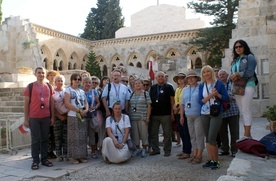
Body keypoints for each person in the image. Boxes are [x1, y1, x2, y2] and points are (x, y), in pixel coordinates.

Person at [23, 66, 55, 170]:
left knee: (45, 139)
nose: (41, 75)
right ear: (35, 74)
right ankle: (35, 161)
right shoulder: (30, 87)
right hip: (34, 117)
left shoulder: (49, 87)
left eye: (43, 73)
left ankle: (44, 159)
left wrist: (52, 117)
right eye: (39, 73)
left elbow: (52, 103)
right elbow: (26, 104)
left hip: (45, 117)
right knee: (35, 140)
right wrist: (25, 119)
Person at [199, 65, 229, 170]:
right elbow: (200, 101)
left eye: (208, 71)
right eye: (204, 72)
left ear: (211, 72)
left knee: (212, 137)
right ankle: (211, 160)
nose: (206, 74)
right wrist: (211, 96)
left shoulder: (218, 83)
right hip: (204, 113)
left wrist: (217, 94)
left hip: (216, 112)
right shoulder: (201, 85)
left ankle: (216, 162)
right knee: (207, 138)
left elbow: (225, 98)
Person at [230, 39, 257, 140]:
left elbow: (250, 72)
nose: (238, 48)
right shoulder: (234, 61)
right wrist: (232, 76)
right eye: (236, 47)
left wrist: (238, 74)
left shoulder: (250, 57)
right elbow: (231, 73)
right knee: (242, 111)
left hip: (248, 84)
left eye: (240, 46)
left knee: (246, 109)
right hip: (237, 86)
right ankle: (248, 135)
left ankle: (246, 135)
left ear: (244, 47)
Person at [64, 73, 89, 164]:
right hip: (73, 115)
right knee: (74, 137)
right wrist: (78, 110)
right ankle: (74, 157)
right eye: (75, 79)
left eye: (79, 79)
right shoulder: (68, 90)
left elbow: (85, 102)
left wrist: (86, 110)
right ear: (72, 80)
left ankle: (81, 156)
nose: (77, 80)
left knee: (82, 136)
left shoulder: (81, 91)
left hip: (82, 116)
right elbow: (67, 103)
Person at [181, 69, 204, 164]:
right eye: (189, 78)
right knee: (192, 135)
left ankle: (199, 155)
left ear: (196, 78)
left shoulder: (200, 88)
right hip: (188, 115)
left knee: (199, 135)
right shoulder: (185, 90)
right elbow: (182, 103)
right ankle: (194, 153)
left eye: (192, 78)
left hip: (198, 114)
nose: (190, 79)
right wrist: (182, 116)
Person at [149, 71, 175, 157]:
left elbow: (172, 101)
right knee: (153, 133)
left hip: (166, 114)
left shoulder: (169, 87)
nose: (160, 78)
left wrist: (172, 113)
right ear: (156, 78)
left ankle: (167, 150)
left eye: (162, 76)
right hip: (154, 114)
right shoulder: (152, 88)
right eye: (159, 76)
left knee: (167, 133)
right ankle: (155, 149)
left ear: (164, 78)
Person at [218, 69, 240, 157]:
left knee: (234, 132)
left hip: (233, 110)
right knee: (222, 132)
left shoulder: (232, 83)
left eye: (223, 74)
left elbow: (234, 95)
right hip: (222, 111)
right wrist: (226, 97)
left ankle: (234, 150)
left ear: (227, 75)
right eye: (220, 75)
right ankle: (224, 149)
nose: (222, 76)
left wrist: (223, 97)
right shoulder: (217, 85)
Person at [129, 78, 152, 157]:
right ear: (133, 85)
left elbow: (149, 106)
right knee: (135, 134)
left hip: (143, 118)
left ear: (142, 84)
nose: (137, 85)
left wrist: (148, 117)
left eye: (139, 83)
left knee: (144, 134)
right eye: (136, 83)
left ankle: (144, 149)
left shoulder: (146, 94)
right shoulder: (131, 94)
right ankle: (137, 148)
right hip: (133, 118)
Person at [173, 73, 192, 159]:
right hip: (177, 112)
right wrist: (174, 108)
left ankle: (187, 151)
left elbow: (184, 101)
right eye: (178, 78)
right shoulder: (177, 89)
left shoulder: (187, 89)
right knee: (181, 131)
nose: (180, 79)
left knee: (185, 132)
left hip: (184, 112)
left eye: (182, 78)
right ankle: (184, 149)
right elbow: (175, 100)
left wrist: (179, 109)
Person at [82, 77, 100, 159]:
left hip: (92, 116)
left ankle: (93, 151)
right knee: (83, 135)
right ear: (83, 83)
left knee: (92, 135)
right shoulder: (80, 92)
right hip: (83, 116)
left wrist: (95, 107)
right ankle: (83, 152)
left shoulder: (94, 92)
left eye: (89, 82)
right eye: (86, 82)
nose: (88, 84)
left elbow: (98, 102)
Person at [53, 75, 69, 162]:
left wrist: (66, 116)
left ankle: (66, 154)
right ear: (55, 82)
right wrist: (58, 116)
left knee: (66, 136)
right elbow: (51, 106)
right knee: (57, 136)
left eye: (61, 81)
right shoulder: (52, 92)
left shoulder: (66, 91)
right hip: (57, 117)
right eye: (58, 81)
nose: (60, 82)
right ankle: (59, 155)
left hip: (66, 116)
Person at [46, 70, 59, 159]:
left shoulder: (59, 86)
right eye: (50, 75)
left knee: (55, 134)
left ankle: (52, 151)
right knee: (48, 133)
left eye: (54, 75)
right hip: (49, 112)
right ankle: (47, 151)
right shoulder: (46, 86)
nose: (52, 76)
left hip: (58, 113)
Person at [97, 76, 110, 152]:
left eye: (108, 80)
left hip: (109, 112)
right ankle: (101, 146)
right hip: (102, 113)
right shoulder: (99, 90)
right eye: (105, 80)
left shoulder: (110, 89)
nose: (106, 81)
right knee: (102, 130)